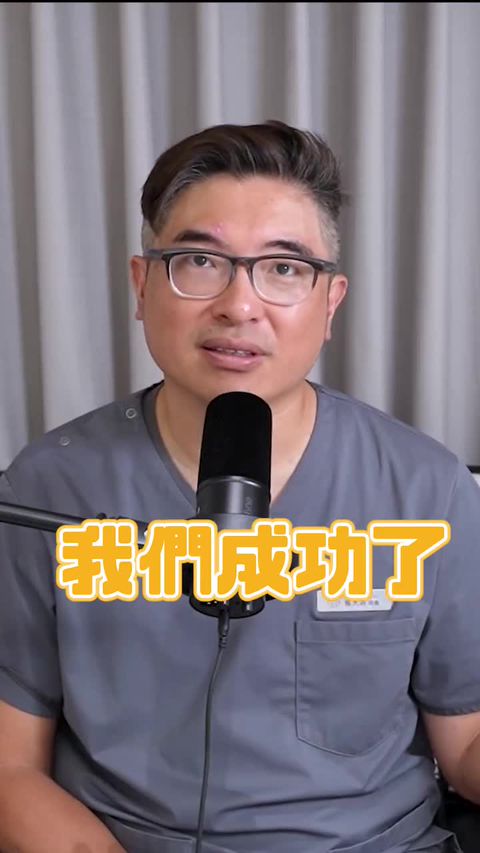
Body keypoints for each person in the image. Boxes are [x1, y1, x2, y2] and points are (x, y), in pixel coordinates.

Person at [0, 120, 479, 853]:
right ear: (142, 285)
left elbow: (466, 739)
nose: (239, 305)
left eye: (283, 268)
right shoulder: (48, 486)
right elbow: (11, 764)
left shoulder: (424, 487)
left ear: (330, 303)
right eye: (199, 261)